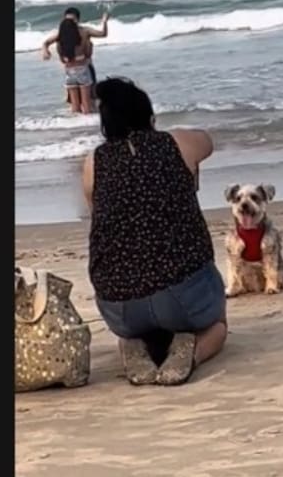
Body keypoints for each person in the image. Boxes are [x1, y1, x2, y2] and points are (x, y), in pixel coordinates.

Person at [82, 77, 228, 386]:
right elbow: (208, 141)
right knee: (217, 324)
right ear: (149, 117)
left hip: (118, 305)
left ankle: (133, 345)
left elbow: (99, 217)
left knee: (134, 327)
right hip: (183, 295)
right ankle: (194, 353)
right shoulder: (175, 142)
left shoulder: (94, 161)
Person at [41, 7, 108, 113]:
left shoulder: (63, 33)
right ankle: (87, 125)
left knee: (75, 106)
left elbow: (48, 43)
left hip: (70, 70)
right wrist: (104, 21)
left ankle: (76, 125)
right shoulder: (83, 31)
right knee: (87, 103)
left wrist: (46, 52)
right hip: (83, 68)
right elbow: (103, 34)